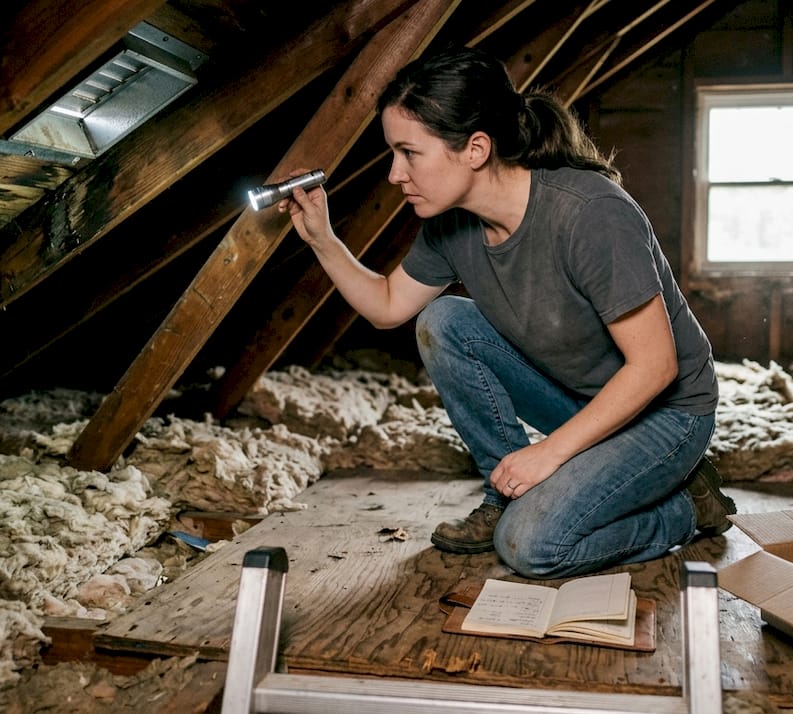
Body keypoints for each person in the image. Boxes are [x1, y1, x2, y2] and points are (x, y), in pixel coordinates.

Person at [278, 46, 734, 579]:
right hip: (586, 400)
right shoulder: (450, 226)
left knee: (531, 547)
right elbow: (387, 308)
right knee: (443, 321)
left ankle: (683, 508)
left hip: (667, 413)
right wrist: (323, 240)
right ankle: (505, 491)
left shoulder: (591, 214)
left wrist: (548, 455)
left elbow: (656, 368)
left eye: (409, 153)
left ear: (474, 148)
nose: (394, 174)